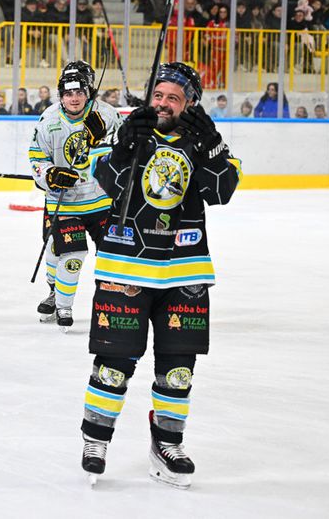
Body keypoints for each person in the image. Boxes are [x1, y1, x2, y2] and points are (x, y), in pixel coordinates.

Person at [78, 61, 241, 488]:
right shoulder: (127, 131)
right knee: (114, 364)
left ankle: (168, 442)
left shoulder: (203, 141)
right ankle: (96, 439)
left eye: (174, 97)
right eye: (159, 95)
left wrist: (213, 147)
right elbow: (105, 181)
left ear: (190, 105)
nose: (164, 103)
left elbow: (221, 192)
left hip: (185, 272)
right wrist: (123, 148)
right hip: (125, 266)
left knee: (178, 369)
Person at [28, 61, 122, 328]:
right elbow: (36, 158)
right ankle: (61, 304)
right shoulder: (49, 120)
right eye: (68, 93)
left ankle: (114, 306)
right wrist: (50, 175)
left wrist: (101, 142)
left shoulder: (107, 115)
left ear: (88, 92)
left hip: (102, 202)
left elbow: (125, 153)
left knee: (113, 256)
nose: (74, 98)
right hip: (66, 203)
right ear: (61, 95)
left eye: (79, 92)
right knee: (70, 255)